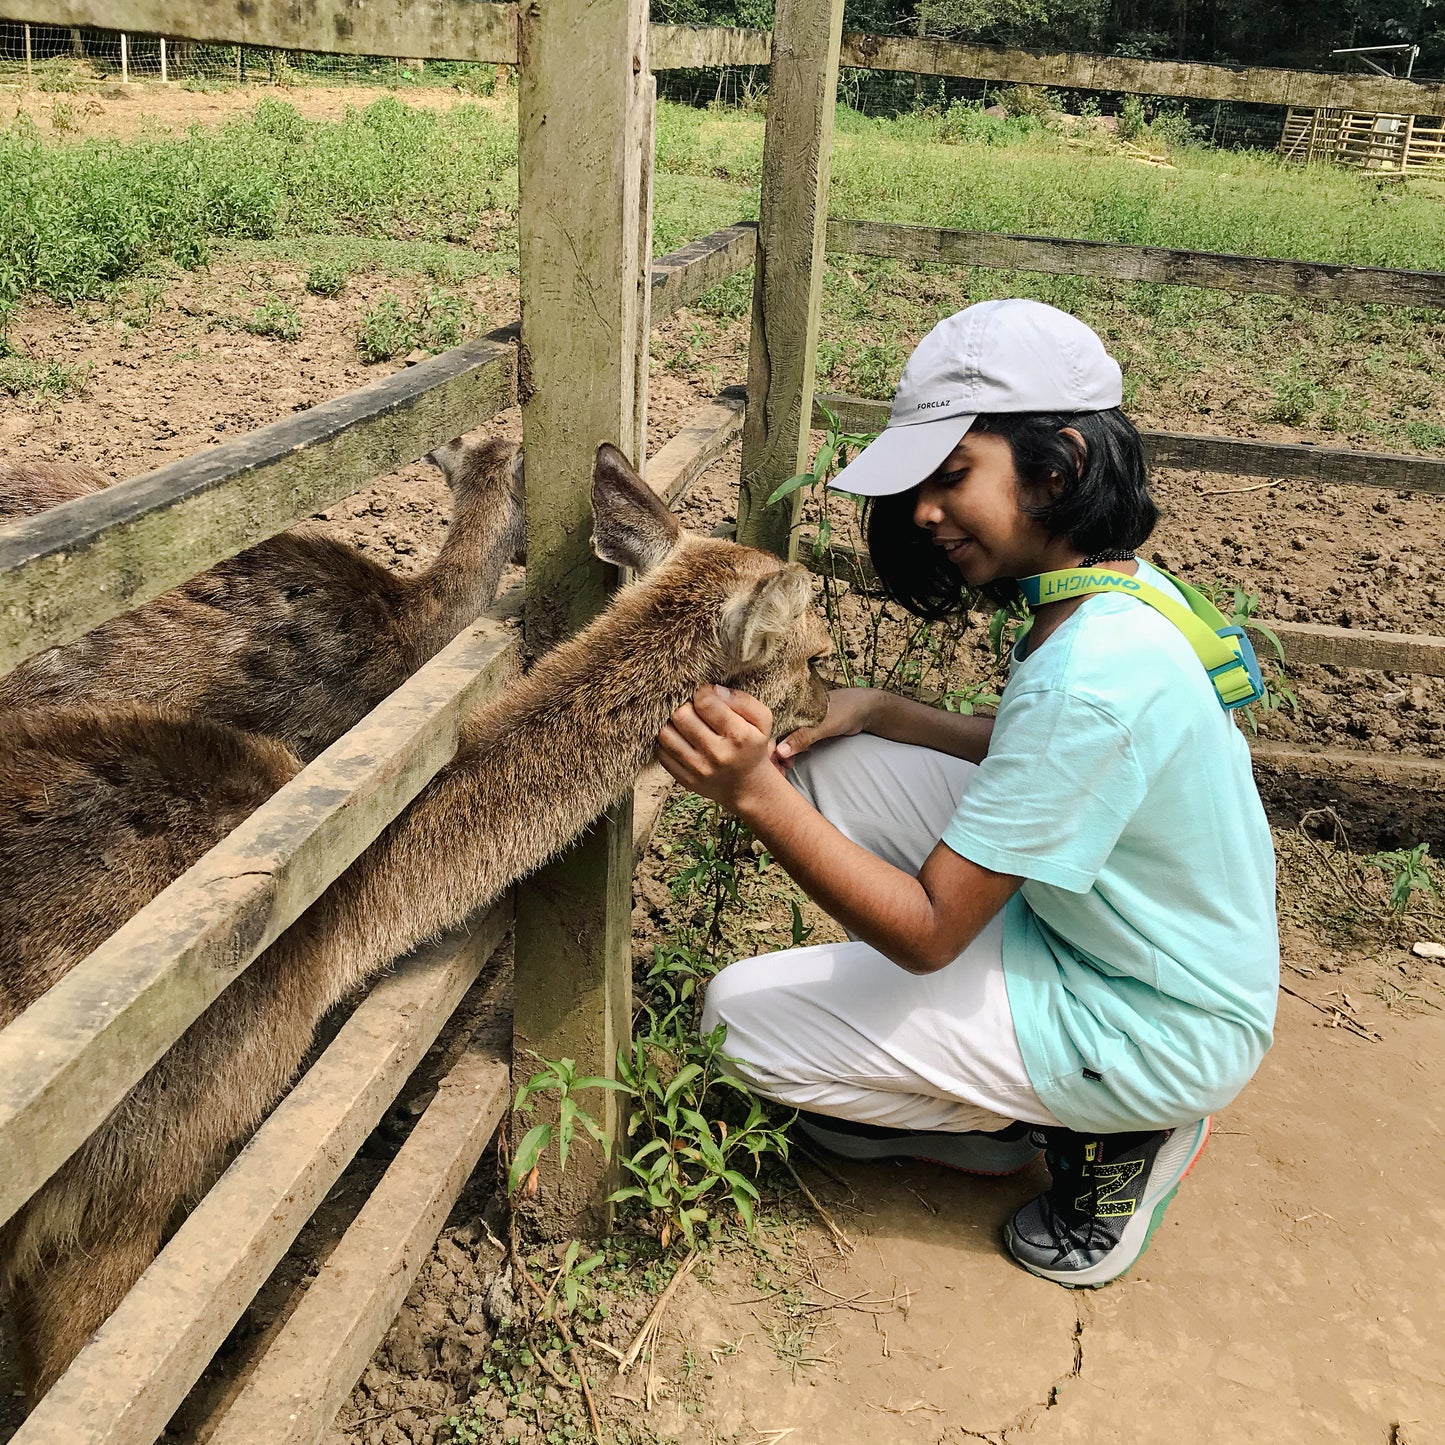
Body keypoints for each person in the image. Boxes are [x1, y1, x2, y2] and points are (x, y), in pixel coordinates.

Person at [654, 298, 1279, 1288]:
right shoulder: (1116, 594)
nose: (923, 513)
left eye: (951, 477)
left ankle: (1112, 1125)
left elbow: (930, 931)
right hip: (1126, 940)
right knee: (835, 765)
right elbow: (1048, 764)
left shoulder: (1090, 671)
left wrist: (750, 796)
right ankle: (991, 1101)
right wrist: (886, 711)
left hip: (1153, 1021)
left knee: (735, 1020)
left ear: (1057, 463)